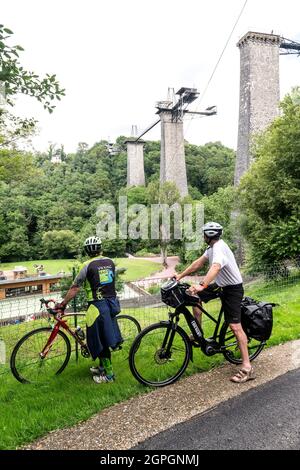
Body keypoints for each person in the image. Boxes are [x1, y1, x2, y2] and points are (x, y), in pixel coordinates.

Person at [175, 222, 255, 384]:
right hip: (220, 286)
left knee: (235, 326)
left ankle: (247, 366)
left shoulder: (219, 248)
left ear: (209, 235)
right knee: (194, 297)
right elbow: (199, 263)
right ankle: (199, 334)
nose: (203, 236)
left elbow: (216, 267)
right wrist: (180, 275)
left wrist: (202, 285)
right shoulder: (211, 248)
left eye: (204, 234)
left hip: (233, 289)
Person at [56, 236, 123, 384]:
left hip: (96, 307)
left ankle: (109, 375)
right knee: (104, 337)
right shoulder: (110, 262)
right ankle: (102, 367)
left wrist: (63, 303)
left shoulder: (86, 265)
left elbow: (75, 287)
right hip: (112, 305)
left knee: (101, 341)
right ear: (101, 249)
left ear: (87, 251)